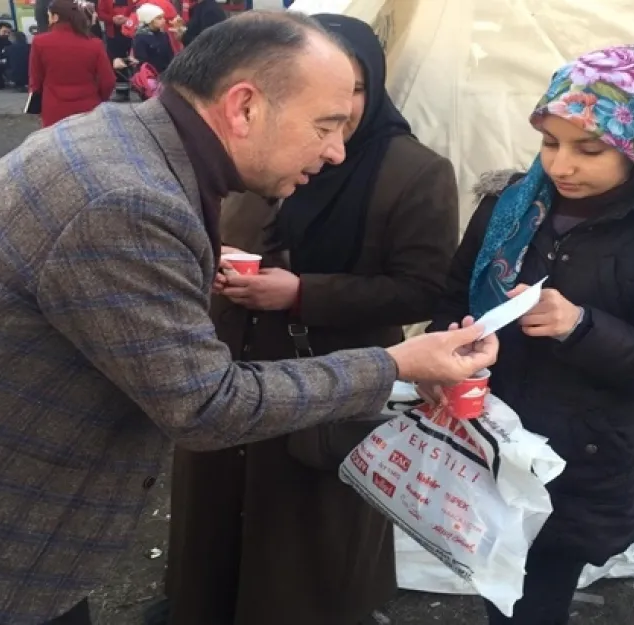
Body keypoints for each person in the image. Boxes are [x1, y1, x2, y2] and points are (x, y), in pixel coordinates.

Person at [0, 11, 498, 625]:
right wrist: (396, 365)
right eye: (326, 125)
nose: (337, 150)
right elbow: (204, 405)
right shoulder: (129, 200)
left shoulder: (124, 137)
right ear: (244, 106)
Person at [425, 44, 634, 625]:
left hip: (575, 467)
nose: (559, 165)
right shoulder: (508, 211)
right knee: (496, 586)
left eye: (588, 149)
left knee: (534, 602)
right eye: (549, 141)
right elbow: (452, 303)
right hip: (487, 442)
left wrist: (581, 327)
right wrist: (449, 352)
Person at [163, 13, 459, 625]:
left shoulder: (413, 171)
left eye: (354, 87)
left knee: (307, 536)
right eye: (329, 93)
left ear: (373, 84)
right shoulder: (255, 146)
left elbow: (424, 289)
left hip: (333, 380)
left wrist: (303, 293)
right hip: (229, 365)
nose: (343, 110)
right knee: (216, 515)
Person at [28, 0, 114, 127]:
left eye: (49, 15)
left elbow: (35, 81)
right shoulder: (95, 44)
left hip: (53, 106)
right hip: (88, 106)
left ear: (56, 17)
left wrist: (37, 105)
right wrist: (100, 98)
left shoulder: (40, 42)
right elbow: (108, 81)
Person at [97, 0, 135, 99]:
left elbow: (137, 9)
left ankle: (137, 86)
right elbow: (100, 13)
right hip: (113, 34)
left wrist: (128, 19)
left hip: (130, 32)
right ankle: (121, 91)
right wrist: (112, 19)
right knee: (115, 60)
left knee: (131, 59)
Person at [131, 3, 173, 73]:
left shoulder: (163, 34)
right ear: (149, 20)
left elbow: (170, 55)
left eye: (163, 17)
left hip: (166, 73)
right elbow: (142, 61)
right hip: (150, 75)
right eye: (159, 18)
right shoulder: (140, 37)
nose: (163, 20)